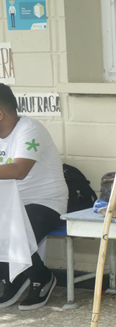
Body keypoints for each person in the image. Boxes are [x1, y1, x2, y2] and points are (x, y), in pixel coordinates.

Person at [0, 83, 67, 309]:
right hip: (9, 205)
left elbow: (19, 170)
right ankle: (12, 278)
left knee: (10, 230)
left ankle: (42, 277)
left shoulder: (30, 129)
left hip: (45, 203)